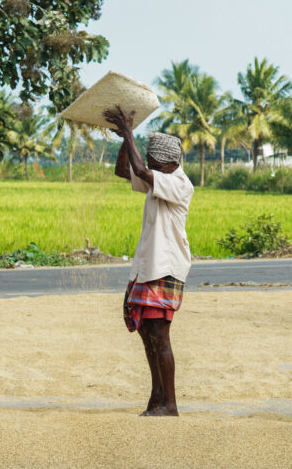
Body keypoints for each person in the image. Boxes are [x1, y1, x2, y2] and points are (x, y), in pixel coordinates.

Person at [104, 105, 194, 417]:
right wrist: (123, 139)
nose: (150, 168)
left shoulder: (179, 184)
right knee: (147, 335)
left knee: (160, 336)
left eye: (155, 164)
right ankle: (156, 400)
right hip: (148, 267)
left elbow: (141, 171)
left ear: (169, 164)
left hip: (165, 268)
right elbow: (124, 170)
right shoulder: (160, 177)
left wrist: (130, 132)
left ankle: (169, 404)